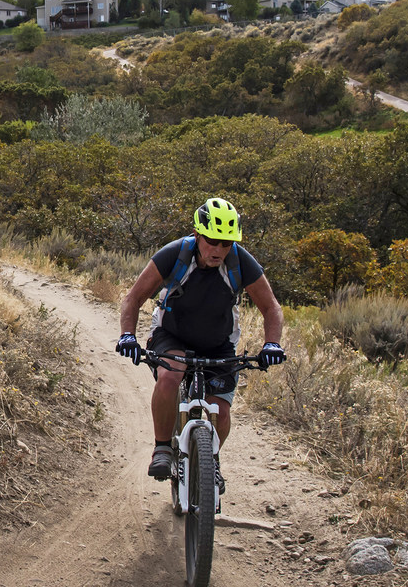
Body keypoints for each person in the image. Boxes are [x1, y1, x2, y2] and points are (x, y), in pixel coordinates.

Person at [115, 198, 286, 481]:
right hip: (171, 334)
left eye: (226, 243)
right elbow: (133, 298)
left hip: (218, 343)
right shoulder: (175, 254)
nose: (219, 249)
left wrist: (272, 343)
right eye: (212, 241)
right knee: (170, 375)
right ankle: (162, 449)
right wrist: (127, 336)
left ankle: (210, 463)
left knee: (220, 410)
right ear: (197, 234)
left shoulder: (240, 261)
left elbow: (271, 308)